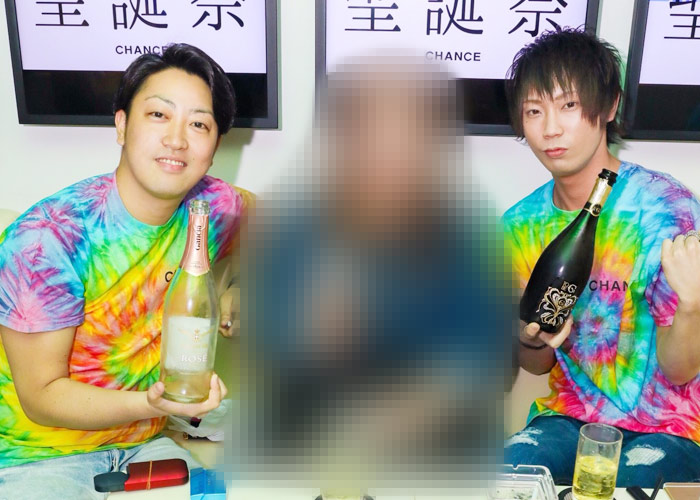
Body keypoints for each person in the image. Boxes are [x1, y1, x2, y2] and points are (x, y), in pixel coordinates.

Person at [236, 57, 516, 489]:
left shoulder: (467, 232)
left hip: (431, 442)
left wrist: (425, 402)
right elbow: (264, 337)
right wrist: (303, 334)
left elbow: (489, 357)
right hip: (308, 437)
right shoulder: (294, 225)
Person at [0, 44, 251, 499]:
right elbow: (42, 398)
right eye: (158, 115)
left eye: (198, 124)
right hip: (37, 457)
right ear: (121, 125)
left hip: (147, 445)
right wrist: (152, 404)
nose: (177, 139)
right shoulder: (48, 239)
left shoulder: (212, 207)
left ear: (215, 146)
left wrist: (240, 287)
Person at [502, 29, 700, 487]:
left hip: (668, 427)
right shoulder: (519, 226)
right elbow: (537, 364)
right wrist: (532, 339)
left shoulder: (665, 210)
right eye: (534, 111)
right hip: (568, 418)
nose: (550, 129)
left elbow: (681, 370)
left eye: (569, 105)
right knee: (504, 475)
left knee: (619, 488)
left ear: (610, 106)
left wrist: (692, 305)